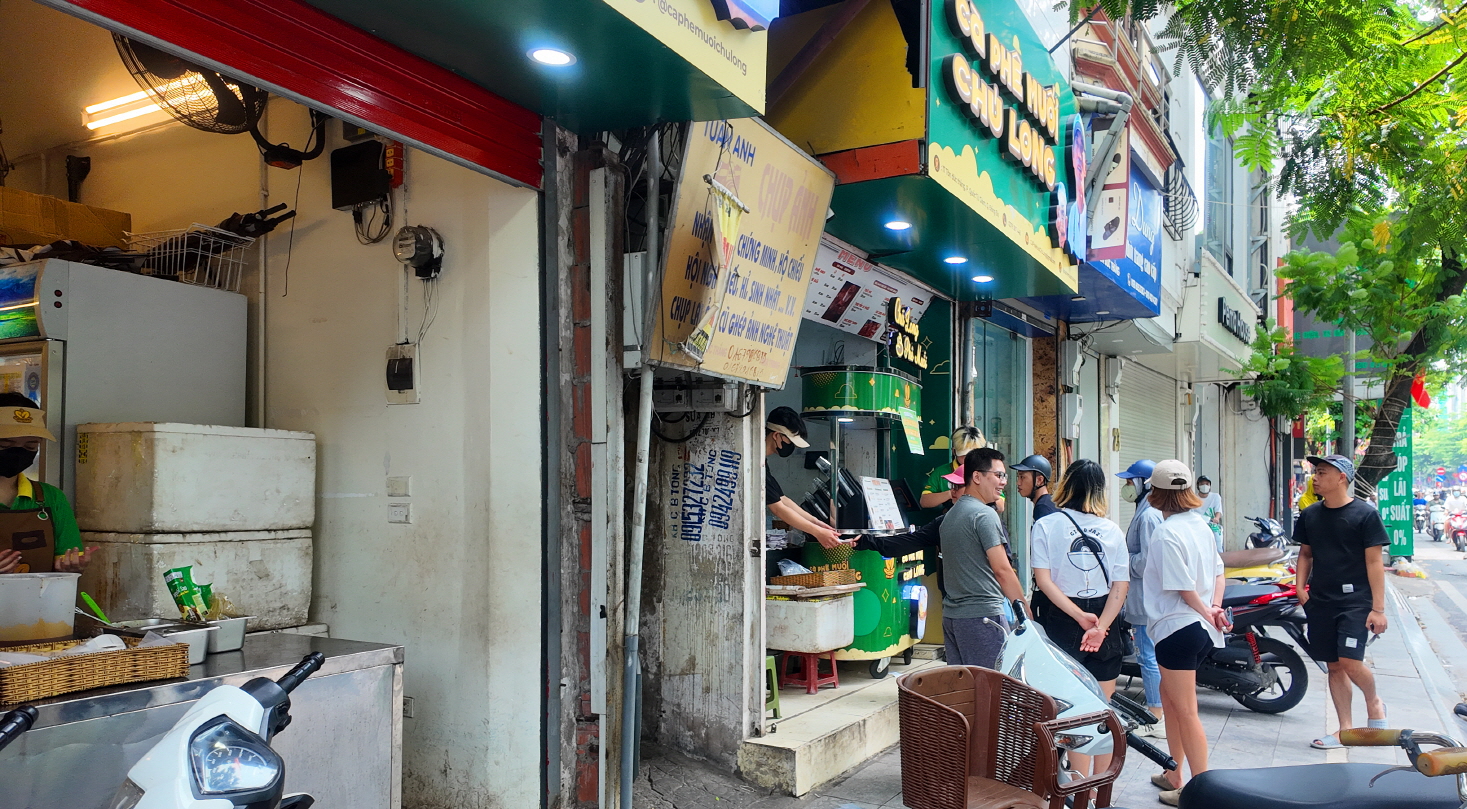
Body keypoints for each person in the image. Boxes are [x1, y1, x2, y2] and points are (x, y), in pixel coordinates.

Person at [1030, 459, 1130, 778]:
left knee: (1073, 712)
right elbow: (1121, 586)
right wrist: (1101, 626)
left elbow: (1044, 581)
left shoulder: (1046, 525)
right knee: (1103, 711)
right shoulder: (1113, 530)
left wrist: (1079, 616)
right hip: (1105, 623)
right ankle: (1101, 789)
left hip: (1062, 620)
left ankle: (1079, 788)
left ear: (1066, 484)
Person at [1142, 460, 1229, 805]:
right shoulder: (1201, 525)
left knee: (1186, 710)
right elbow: (1219, 573)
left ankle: (1199, 790)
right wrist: (1214, 608)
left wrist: (1207, 610)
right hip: (1199, 628)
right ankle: (1174, 773)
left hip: (1177, 627)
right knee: (1172, 700)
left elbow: (1181, 586)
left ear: (1156, 493)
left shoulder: (1166, 533)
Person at [1295, 454, 1389, 750]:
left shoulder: (1365, 515)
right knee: (1334, 665)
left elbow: (1374, 563)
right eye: (1316, 472)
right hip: (1321, 600)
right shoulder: (1310, 515)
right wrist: (1300, 588)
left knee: (1350, 661)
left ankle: (1373, 701)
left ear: (1341, 478)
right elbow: (1306, 554)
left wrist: (1378, 609)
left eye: (1322, 472)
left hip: (1356, 601)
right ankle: (1344, 730)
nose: (1315, 477)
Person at [937, 447, 1026, 668]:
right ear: (977, 477)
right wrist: (1025, 613)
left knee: (965, 685)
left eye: (1004, 476)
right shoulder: (984, 515)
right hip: (983, 618)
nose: (1003, 482)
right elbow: (1002, 570)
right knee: (991, 684)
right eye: (998, 475)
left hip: (952, 618)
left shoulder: (950, 516)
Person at [0, 394, 96, 574]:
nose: (18, 453)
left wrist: (71, 568)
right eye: (5, 445)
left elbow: (67, 560)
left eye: (30, 446)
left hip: (38, 594)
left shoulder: (51, 498)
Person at [1120, 459, 1167, 739]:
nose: (1127, 486)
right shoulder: (1146, 510)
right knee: (1150, 657)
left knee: (1148, 658)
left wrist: (1121, 560)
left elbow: (1147, 561)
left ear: (1144, 483)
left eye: (1130, 481)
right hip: (1145, 598)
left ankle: (1155, 717)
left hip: (1145, 600)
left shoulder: (1148, 516)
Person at [764, 406, 842, 549]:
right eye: (791, 442)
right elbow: (778, 508)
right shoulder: (754, 461)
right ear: (777, 435)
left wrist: (816, 522)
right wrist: (817, 532)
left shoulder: (762, 462)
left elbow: (782, 499)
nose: (792, 447)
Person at [920, 426, 988, 510]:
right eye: (964, 455)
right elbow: (924, 501)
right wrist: (952, 493)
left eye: (974, 456)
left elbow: (1000, 505)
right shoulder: (941, 472)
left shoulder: (987, 472)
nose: (969, 459)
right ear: (954, 451)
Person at [1012, 454, 1059, 521]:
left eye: (1022, 477)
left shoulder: (1043, 508)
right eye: (1018, 477)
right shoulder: (1048, 503)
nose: (1018, 483)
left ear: (1039, 480)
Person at [1193, 475, 1224, 552]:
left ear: (1210, 486)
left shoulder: (1215, 497)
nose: (1205, 486)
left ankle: (1219, 554)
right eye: (1202, 484)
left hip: (1211, 524)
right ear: (1198, 486)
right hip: (1197, 525)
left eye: (1207, 484)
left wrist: (1216, 518)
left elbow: (1218, 511)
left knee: (1217, 536)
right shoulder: (1193, 498)